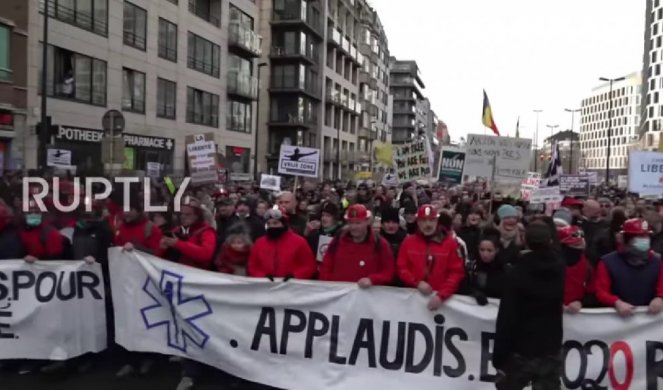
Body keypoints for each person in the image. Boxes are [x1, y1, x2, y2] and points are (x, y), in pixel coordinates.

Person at [493, 222, 565, 390]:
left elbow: (507, 317)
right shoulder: (559, 267)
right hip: (551, 347)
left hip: (522, 350)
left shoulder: (517, 273)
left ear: (525, 240)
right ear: (549, 240)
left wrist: (499, 357)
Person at [160, 196, 217, 390]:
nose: (184, 218)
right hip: (178, 285)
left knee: (194, 328)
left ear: (197, 216)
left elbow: (205, 254)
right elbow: (161, 256)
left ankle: (190, 373)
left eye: (188, 215)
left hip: (197, 286)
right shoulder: (177, 232)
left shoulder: (207, 232)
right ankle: (185, 356)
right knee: (180, 324)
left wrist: (178, 245)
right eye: (181, 215)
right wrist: (163, 246)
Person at [397, 204, 465, 311]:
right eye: (423, 220)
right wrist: (416, 283)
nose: (427, 224)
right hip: (412, 301)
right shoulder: (408, 242)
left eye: (431, 220)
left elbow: (456, 273)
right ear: (418, 222)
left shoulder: (450, 244)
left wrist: (441, 295)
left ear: (437, 221)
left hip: (441, 303)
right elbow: (402, 268)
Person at [595, 218, 663, 316]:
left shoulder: (657, 261)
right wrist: (616, 302)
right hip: (618, 319)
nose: (645, 239)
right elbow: (601, 291)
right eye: (640, 236)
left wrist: (660, 298)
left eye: (646, 236)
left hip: (649, 320)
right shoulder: (607, 262)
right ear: (627, 239)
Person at [319, 204, 394, 286]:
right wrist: (330, 283)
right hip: (339, 294)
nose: (353, 227)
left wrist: (372, 279)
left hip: (366, 296)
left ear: (367, 222)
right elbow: (326, 265)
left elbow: (388, 272)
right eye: (351, 222)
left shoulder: (380, 243)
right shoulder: (338, 239)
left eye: (358, 223)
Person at [248, 206, 316, 280]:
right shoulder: (259, 243)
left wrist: (295, 276)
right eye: (269, 223)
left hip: (291, 287)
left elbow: (309, 266)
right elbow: (252, 266)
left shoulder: (299, 242)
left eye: (275, 223)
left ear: (284, 224)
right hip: (266, 287)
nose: (271, 226)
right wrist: (263, 276)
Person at [461, 229, 509, 305]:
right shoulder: (472, 267)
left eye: (489, 250)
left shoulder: (504, 270)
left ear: (496, 250)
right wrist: (475, 293)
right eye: (482, 250)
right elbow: (465, 287)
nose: (485, 254)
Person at [558, 225, 593, 313]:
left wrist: (581, 302)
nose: (578, 248)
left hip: (578, 314)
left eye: (579, 245)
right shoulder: (552, 264)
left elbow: (593, 290)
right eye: (575, 245)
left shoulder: (587, 265)